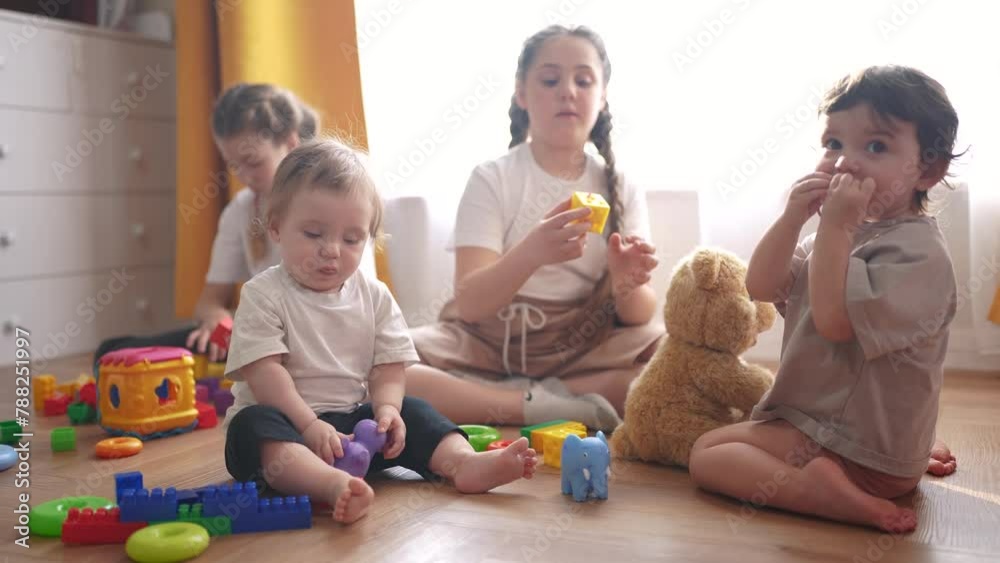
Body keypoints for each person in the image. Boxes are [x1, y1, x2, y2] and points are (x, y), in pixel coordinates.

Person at [689, 65, 961, 533]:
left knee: (707, 453)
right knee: (722, 444)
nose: (845, 162)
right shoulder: (829, 240)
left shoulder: (918, 256)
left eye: (875, 146)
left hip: (856, 451)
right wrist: (795, 216)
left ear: (928, 170)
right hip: (852, 440)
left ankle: (819, 494)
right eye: (833, 144)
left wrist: (834, 227)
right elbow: (761, 285)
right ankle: (861, 471)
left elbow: (836, 325)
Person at [222, 139, 538, 525]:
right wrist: (308, 425)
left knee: (415, 409)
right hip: (290, 426)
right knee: (252, 428)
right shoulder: (263, 295)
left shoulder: (374, 296)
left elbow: (389, 367)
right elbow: (266, 374)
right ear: (276, 227)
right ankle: (330, 484)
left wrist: (387, 411)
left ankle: (463, 463)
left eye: (351, 239)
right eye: (314, 234)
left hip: (355, 429)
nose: (332, 250)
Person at [407, 25, 663, 432]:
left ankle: (537, 394)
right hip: (490, 343)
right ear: (522, 94)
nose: (568, 91)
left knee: (672, 360)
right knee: (389, 366)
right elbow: (471, 303)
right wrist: (532, 252)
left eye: (584, 79)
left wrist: (625, 283)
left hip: (585, 345)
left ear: (603, 95)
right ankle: (538, 406)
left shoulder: (621, 185)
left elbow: (639, 315)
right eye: (550, 79)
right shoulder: (492, 178)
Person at [94, 83, 318, 364]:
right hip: (254, 341)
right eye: (234, 166)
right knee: (113, 352)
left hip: (312, 343)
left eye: (253, 162)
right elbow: (210, 300)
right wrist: (216, 318)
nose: (244, 176)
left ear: (290, 143)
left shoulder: (325, 203)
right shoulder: (241, 209)